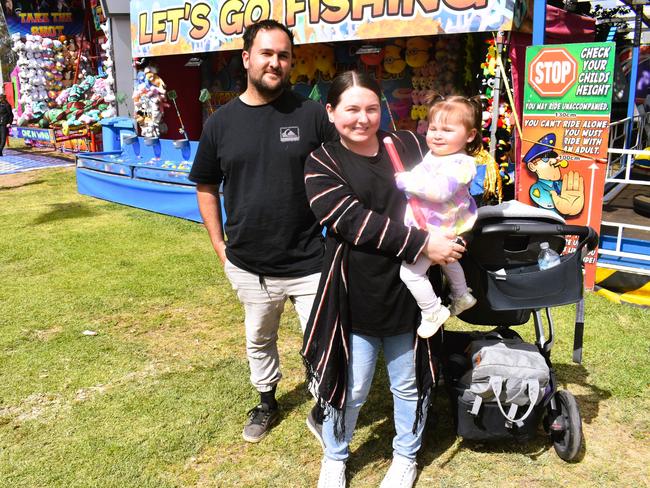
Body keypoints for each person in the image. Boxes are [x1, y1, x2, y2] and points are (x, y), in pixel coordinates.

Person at [301, 71, 465, 488]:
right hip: (356, 291)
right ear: (331, 111)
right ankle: (336, 456)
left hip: (410, 292)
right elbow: (351, 221)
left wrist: (457, 222)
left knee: (407, 384)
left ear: (382, 108)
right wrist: (422, 245)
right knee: (351, 388)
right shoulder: (321, 161)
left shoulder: (407, 144)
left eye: (371, 108)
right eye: (351, 109)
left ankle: (405, 455)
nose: (363, 118)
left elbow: (449, 180)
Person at [189, 19, 337, 444]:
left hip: (311, 260)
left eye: (284, 55)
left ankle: (322, 402)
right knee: (259, 338)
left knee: (321, 338)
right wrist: (220, 247)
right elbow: (205, 187)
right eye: (267, 53)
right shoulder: (220, 123)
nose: (276, 62)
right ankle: (266, 400)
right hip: (251, 265)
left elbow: (342, 170)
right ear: (247, 57)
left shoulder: (311, 114)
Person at [395, 94, 483, 338]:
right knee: (448, 259)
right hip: (430, 226)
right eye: (433, 128)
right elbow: (421, 175)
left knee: (410, 274)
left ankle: (432, 309)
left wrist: (405, 181)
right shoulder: (434, 156)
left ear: (470, 135)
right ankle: (461, 294)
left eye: (447, 129)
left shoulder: (462, 164)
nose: (436, 134)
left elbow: (438, 191)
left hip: (440, 228)